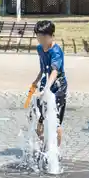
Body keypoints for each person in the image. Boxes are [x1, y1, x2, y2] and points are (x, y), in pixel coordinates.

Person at [30, 19, 66, 149]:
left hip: (58, 86)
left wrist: (46, 88)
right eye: (38, 36)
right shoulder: (40, 49)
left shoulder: (56, 51)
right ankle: (45, 147)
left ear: (51, 36)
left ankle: (56, 151)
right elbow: (43, 69)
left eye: (43, 37)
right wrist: (36, 81)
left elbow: (54, 71)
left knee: (56, 122)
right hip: (45, 83)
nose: (41, 40)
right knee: (40, 120)